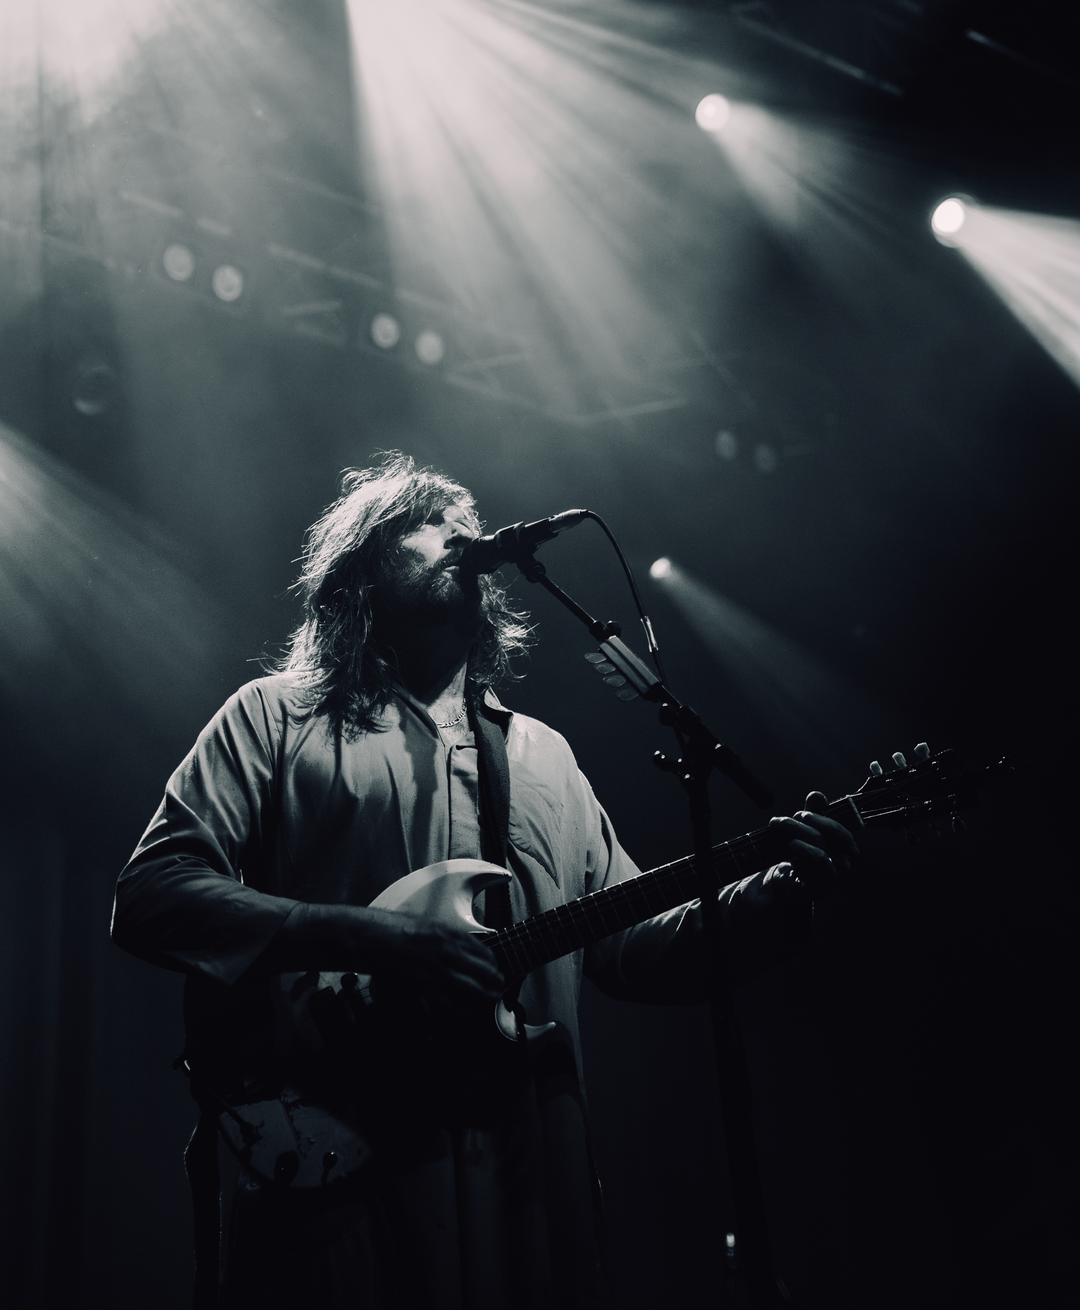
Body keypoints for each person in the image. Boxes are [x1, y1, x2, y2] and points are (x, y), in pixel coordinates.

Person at [112, 452, 858, 1310]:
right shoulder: (274, 717)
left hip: (524, 1175)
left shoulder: (544, 757)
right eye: (424, 523)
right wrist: (376, 937)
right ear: (360, 572)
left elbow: (631, 949)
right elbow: (155, 892)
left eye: (464, 524)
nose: (458, 537)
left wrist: (774, 892)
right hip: (333, 1165)